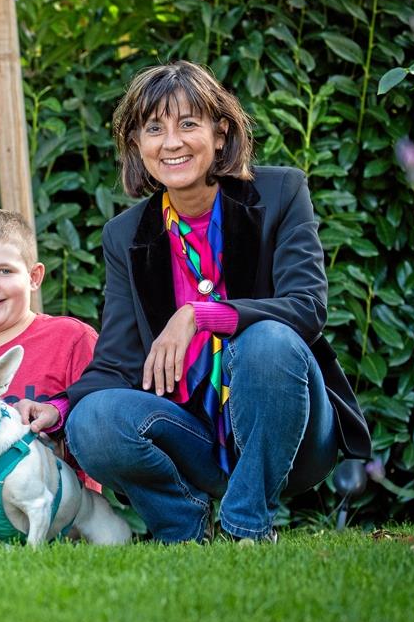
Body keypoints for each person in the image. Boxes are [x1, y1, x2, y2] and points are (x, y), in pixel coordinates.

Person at [65, 61, 371, 544]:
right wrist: (60, 410)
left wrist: (200, 314)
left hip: (289, 427)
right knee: (93, 419)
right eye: (154, 129)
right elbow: (118, 362)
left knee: (267, 341)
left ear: (221, 133)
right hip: (194, 435)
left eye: (188, 124)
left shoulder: (280, 192)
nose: (172, 142)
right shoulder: (125, 235)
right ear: (136, 145)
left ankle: (246, 526)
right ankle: (182, 530)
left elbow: (307, 306)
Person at [0, 208, 100, 491]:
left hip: (64, 511)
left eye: (5, 271)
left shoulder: (71, 339)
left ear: (34, 276)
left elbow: (100, 422)